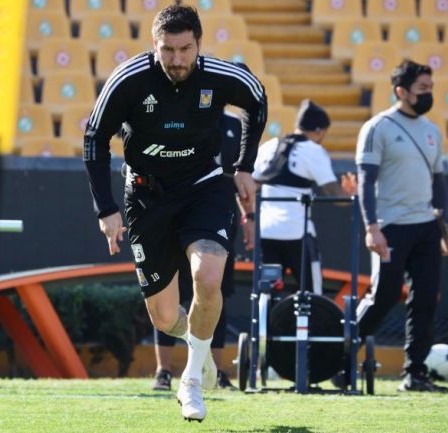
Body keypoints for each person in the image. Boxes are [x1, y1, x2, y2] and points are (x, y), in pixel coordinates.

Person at [83, 5, 266, 422]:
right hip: (147, 197)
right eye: (168, 50)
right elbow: (94, 138)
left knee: (207, 277)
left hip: (205, 188)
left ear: (199, 45)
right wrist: (106, 209)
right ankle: (196, 345)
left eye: (186, 49)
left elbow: (257, 101)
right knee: (165, 317)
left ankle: (192, 380)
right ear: (154, 45)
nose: (178, 59)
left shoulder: (221, 76)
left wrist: (244, 166)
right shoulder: (128, 80)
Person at [354, 60, 448, 393]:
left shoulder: (433, 130)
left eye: (430, 88)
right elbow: (366, 183)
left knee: (425, 299)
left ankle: (416, 374)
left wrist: (443, 226)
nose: (428, 94)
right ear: (401, 91)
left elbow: (439, 181)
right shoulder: (377, 127)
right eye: (422, 88)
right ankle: (340, 359)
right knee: (383, 296)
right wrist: (372, 227)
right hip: (391, 227)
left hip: (426, 227)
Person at [151, 111, 246, 392]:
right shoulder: (180, 113)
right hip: (176, 214)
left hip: (218, 217)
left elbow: (240, 176)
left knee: (213, 291)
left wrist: (248, 217)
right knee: (168, 293)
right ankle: (163, 371)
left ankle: (215, 371)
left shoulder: (236, 125)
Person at [252, 99, 355, 295]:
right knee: (311, 293)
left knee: (268, 292)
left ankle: (265, 324)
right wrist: (351, 194)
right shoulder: (313, 150)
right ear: (320, 131)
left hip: (265, 233)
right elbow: (332, 193)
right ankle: (310, 326)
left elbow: (250, 186)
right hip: (297, 234)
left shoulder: (268, 146)